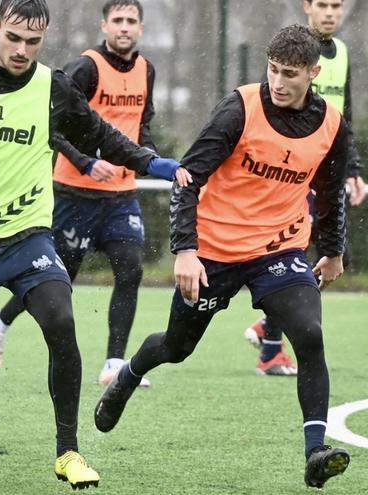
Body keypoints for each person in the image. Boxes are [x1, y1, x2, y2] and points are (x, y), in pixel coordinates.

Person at [0, 0, 188, 489]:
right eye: (13, 38)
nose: (22, 50)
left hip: (27, 234)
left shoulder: (52, 85)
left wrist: (151, 163)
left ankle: (68, 451)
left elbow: (98, 134)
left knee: (60, 319)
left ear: (44, 37)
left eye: (33, 42)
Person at [94, 25, 351, 489]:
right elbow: (187, 178)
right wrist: (186, 250)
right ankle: (128, 376)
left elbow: (330, 192)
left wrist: (332, 252)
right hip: (214, 250)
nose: (278, 81)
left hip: (280, 247)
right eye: (272, 69)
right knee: (176, 348)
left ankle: (316, 452)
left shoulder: (331, 122)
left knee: (310, 335)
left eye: (290, 74)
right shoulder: (239, 108)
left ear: (313, 73)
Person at [0, 0, 154, 388]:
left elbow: (144, 122)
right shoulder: (85, 68)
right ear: (104, 25)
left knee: (131, 268)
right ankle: (1, 319)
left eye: (131, 21)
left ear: (141, 28)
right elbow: (51, 126)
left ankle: (113, 363)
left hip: (121, 194)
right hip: (75, 192)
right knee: (58, 278)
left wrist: (149, 156)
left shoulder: (147, 70)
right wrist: (85, 162)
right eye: (117, 20)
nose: (124, 27)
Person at [243, 0, 364, 376]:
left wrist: (352, 168)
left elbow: (345, 116)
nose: (331, 13)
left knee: (321, 255)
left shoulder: (340, 53)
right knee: (286, 254)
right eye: (323, 4)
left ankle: (271, 327)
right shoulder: (290, 50)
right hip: (288, 170)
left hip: (322, 169)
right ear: (307, 7)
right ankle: (272, 348)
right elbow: (266, 104)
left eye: (337, 5)